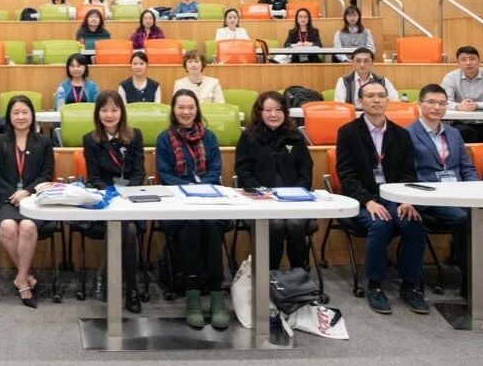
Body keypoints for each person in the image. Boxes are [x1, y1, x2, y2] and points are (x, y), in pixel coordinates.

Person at [406, 84, 483, 312]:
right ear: (419, 105)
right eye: (431, 102)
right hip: (431, 198)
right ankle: (471, 281)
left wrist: (474, 191)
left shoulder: (454, 134)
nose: (437, 107)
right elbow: (407, 173)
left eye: (442, 103)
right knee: (465, 221)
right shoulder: (407, 134)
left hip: (460, 195)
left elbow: (467, 168)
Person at [335, 80, 429, 315]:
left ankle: (410, 286)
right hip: (361, 199)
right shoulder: (348, 132)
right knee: (381, 223)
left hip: (394, 198)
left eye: (381, 95)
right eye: (370, 96)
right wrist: (368, 201)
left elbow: (408, 173)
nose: (376, 100)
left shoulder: (401, 134)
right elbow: (346, 175)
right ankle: (375, 286)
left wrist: (407, 200)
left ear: (388, 99)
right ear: (360, 101)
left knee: (413, 222)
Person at [156, 89, 227, 329]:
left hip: (208, 200)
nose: (186, 112)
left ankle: (217, 294)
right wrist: (187, 188)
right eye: (181, 107)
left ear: (197, 110)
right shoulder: (164, 139)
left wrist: (201, 188)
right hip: (177, 202)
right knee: (193, 225)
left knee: (211, 224)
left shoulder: (210, 137)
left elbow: (215, 170)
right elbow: (165, 174)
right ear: (173, 110)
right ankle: (193, 295)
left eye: (190, 107)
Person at [79, 91, 146, 312]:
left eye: (114, 110)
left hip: (130, 199)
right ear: (97, 113)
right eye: (104, 110)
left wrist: (125, 192)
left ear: (121, 112)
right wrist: (111, 194)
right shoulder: (90, 139)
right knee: (127, 230)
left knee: (127, 227)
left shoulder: (135, 135)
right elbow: (94, 177)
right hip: (105, 201)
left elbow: (139, 172)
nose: (109, 115)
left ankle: (104, 276)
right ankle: (132, 290)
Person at [0, 94, 55, 307]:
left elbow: (47, 175)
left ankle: (21, 278)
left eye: (25, 112)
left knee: (27, 226)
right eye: (15, 112)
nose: (20, 117)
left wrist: (26, 192)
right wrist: (14, 195)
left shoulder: (44, 142)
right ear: (9, 116)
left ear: (32, 115)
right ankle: (25, 278)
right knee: (7, 227)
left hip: (35, 200)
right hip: (6, 199)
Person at [235, 92, 315, 270]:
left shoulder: (295, 136)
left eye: (278, 110)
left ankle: (299, 272)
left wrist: (297, 193)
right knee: (276, 224)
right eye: (268, 110)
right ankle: (270, 273)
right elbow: (243, 171)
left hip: (294, 202)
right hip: (260, 201)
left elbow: (306, 170)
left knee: (295, 224)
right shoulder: (248, 137)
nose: (274, 114)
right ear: (259, 112)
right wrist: (260, 192)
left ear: (285, 112)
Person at [441, 46, 483, 143]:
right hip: (463, 122)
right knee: (462, 136)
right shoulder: (450, 78)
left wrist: (476, 105)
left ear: (479, 61)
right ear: (458, 63)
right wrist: (458, 106)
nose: (468, 63)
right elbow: (444, 102)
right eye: (463, 59)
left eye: (472, 59)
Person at [333, 47, 398, 106]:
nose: (362, 64)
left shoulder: (382, 80)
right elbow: (339, 106)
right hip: (353, 114)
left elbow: (395, 102)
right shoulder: (344, 81)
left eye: (366, 61)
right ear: (352, 63)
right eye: (358, 61)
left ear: (372, 63)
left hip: (376, 114)